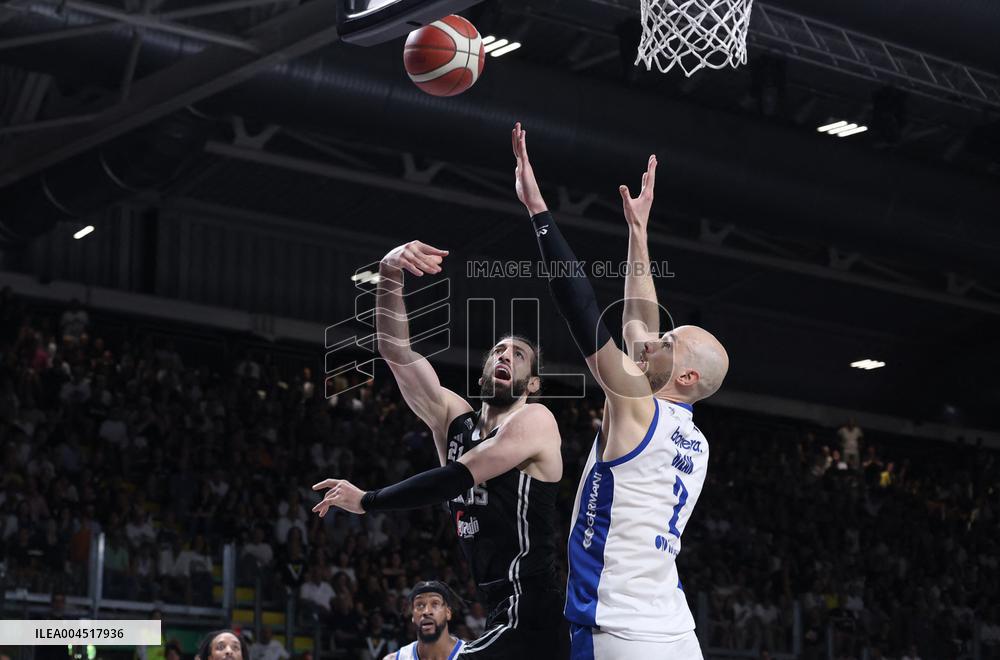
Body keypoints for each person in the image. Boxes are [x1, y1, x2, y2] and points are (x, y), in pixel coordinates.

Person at [511, 122, 729, 658]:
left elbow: (583, 310)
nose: (657, 338)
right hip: (675, 629)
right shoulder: (693, 441)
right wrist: (638, 233)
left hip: (618, 630)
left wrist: (538, 211)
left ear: (686, 378)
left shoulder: (638, 409)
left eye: (671, 342)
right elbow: (638, 327)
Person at [313, 240, 567, 658]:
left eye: (518, 355)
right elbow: (395, 351)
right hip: (499, 610)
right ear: (486, 367)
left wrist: (368, 501)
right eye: (499, 350)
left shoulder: (535, 421)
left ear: (533, 384)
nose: (505, 355)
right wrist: (389, 272)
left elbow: (456, 477)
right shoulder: (454, 419)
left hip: (534, 613)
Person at [384, 582, 464, 660]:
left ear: (448, 613)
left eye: (435, 604)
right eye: (420, 605)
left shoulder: (472, 655)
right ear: (412, 616)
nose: (426, 611)